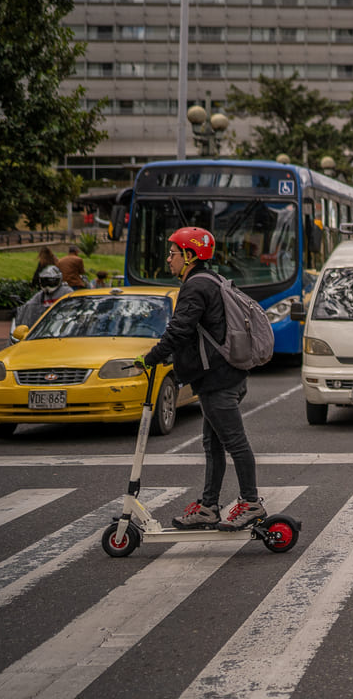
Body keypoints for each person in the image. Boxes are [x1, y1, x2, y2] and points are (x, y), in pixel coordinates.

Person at [137, 227, 266, 532]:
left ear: (190, 255)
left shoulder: (196, 286)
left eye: (173, 253)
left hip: (218, 380)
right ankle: (209, 507)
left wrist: (151, 357)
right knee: (213, 444)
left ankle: (251, 503)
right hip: (222, 376)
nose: (168, 259)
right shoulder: (212, 280)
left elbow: (179, 329)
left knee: (234, 443)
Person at [12, 265, 73, 340]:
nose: (47, 285)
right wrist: (19, 310)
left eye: (51, 281)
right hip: (43, 328)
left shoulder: (66, 291)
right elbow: (30, 304)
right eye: (45, 281)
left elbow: (72, 306)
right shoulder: (41, 295)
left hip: (62, 327)